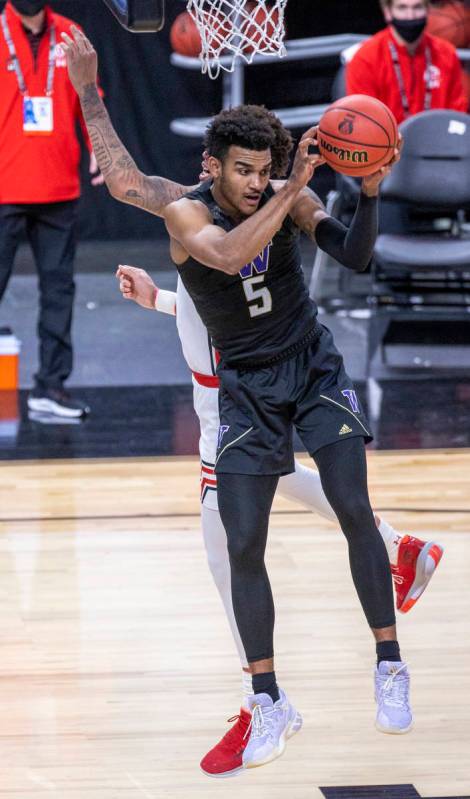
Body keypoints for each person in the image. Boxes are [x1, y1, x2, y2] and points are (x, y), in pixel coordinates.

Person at [61, 26, 424, 770]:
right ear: (211, 165)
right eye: (245, 171)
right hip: (247, 389)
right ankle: (267, 698)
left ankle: (389, 662)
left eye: (267, 170)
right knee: (242, 541)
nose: (258, 182)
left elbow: (352, 252)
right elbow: (213, 245)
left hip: (311, 366)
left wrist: (370, 193)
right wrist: (90, 97)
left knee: (354, 505)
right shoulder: (186, 212)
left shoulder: (290, 199)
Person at [116, 261, 444, 778]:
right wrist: (159, 299)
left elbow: (233, 303)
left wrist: (123, 176)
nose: (204, 173)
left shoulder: (216, 221)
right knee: (274, 481)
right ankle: (395, 546)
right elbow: (211, 308)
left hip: (229, 397)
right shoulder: (215, 220)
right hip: (228, 387)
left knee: (224, 550)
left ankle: (260, 700)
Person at [0, 0, 103, 419]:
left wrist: (99, 144)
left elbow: (90, 94)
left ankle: (50, 387)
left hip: (58, 186)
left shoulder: (70, 33)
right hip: (5, 185)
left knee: (59, 291)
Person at [346, 0, 467, 125]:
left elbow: (457, 112)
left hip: (438, 139)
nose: (411, 16)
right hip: (388, 142)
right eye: (402, 8)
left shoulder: (446, 53)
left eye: (417, 7)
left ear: (427, 10)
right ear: (388, 12)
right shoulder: (366, 58)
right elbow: (364, 120)